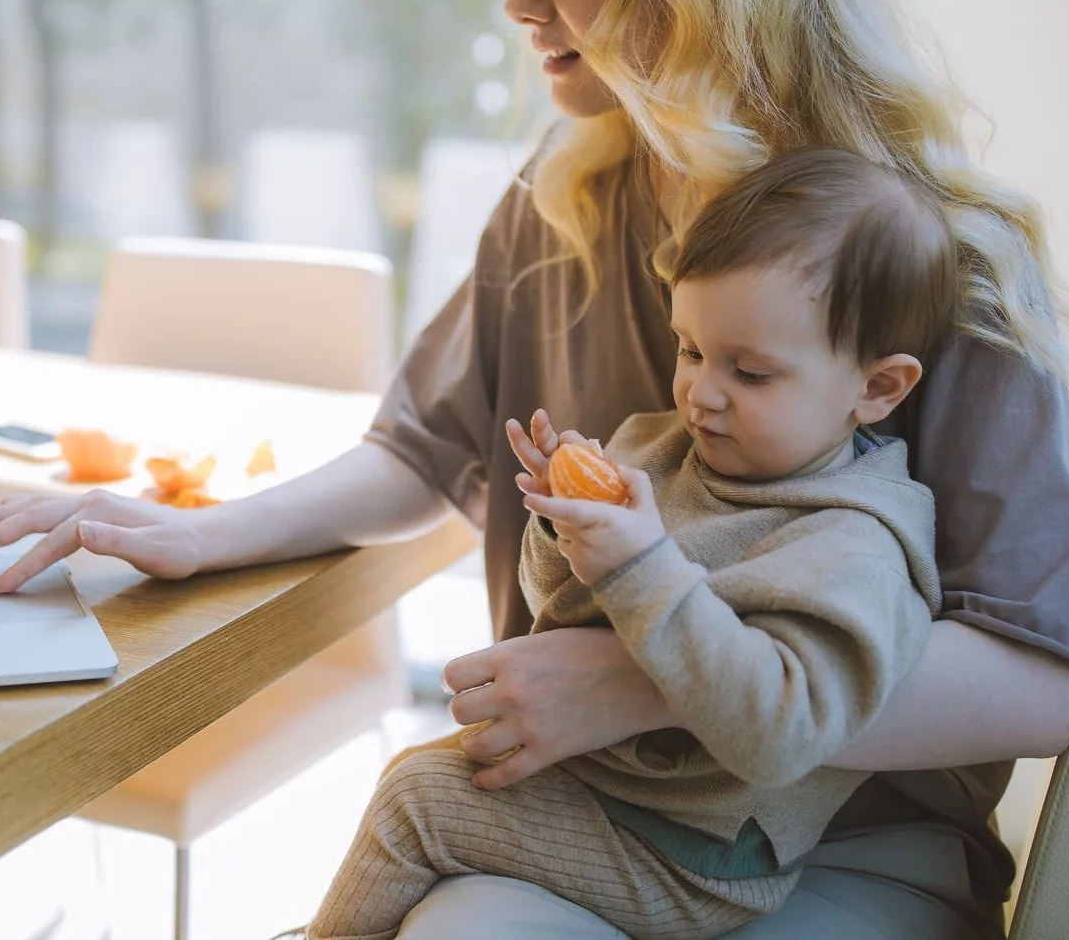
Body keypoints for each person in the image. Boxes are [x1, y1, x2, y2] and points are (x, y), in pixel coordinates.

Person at [0, 0, 1069, 938]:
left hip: (843, 844)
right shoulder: (567, 193)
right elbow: (423, 450)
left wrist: (643, 678)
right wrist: (206, 531)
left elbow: (1033, 681)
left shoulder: (935, 258)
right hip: (597, 801)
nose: (517, 0)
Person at [305, 149, 953, 940]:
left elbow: (782, 732)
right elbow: (564, 611)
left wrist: (643, 566)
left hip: (696, 854)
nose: (700, 394)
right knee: (424, 777)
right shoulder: (666, 446)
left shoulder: (855, 541)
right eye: (691, 350)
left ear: (878, 388)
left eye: (750, 372)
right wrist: (565, 527)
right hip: (610, 790)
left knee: (416, 803)